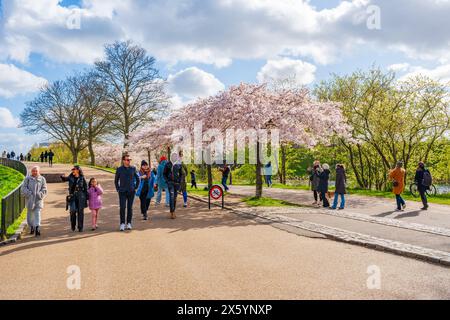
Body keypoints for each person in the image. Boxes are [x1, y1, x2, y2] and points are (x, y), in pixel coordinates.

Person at [115, 153, 139, 231]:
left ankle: (129, 223)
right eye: (127, 160)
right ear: (123, 160)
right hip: (122, 191)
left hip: (131, 191)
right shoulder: (119, 169)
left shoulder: (133, 168)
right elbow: (116, 180)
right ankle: (122, 223)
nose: (129, 161)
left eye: (129, 160)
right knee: (122, 207)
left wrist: (135, 187)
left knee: (130, 208)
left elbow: (138, 178)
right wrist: (118, 189)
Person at [21, 166, 48, 237]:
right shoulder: (27, 179)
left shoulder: (42, 179)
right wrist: (29, 194)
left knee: (37, 213)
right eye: (33, 171)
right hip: (30, 200)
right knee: (30, 215)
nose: (35, 172)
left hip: (38, 200)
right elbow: (23, 188)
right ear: (31, 172)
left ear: (39, 171)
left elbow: (44, 189)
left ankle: (37, 227)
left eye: (36, 171)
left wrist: (40, 194)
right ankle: (32, 226)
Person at [64, 166, 88, 232]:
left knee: (80, 212)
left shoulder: (82, 178)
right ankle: (73, 225)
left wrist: (87, 197)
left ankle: (80, 227)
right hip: (72, 196)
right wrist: (62, 177)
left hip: (81, 196)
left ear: (78, 170)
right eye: (72, 170)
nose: (72, 171)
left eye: (74, 169)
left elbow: (86, 188)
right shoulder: (70, 177)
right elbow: (64, 179)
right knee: (73, 211)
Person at [163, 152, 183, 219]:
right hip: (170, 183)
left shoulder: (179, 164)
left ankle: (173, 210)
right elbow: (164, 173)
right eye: (173, 156)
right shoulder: (167, 164)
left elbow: (181, 174)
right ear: (171, 156)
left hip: (177, 183)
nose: (174, 157)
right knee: (171, 196)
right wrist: (167, 181)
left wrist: (180, 181)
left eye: (175, 156)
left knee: (174, 198)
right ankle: (172, 212)